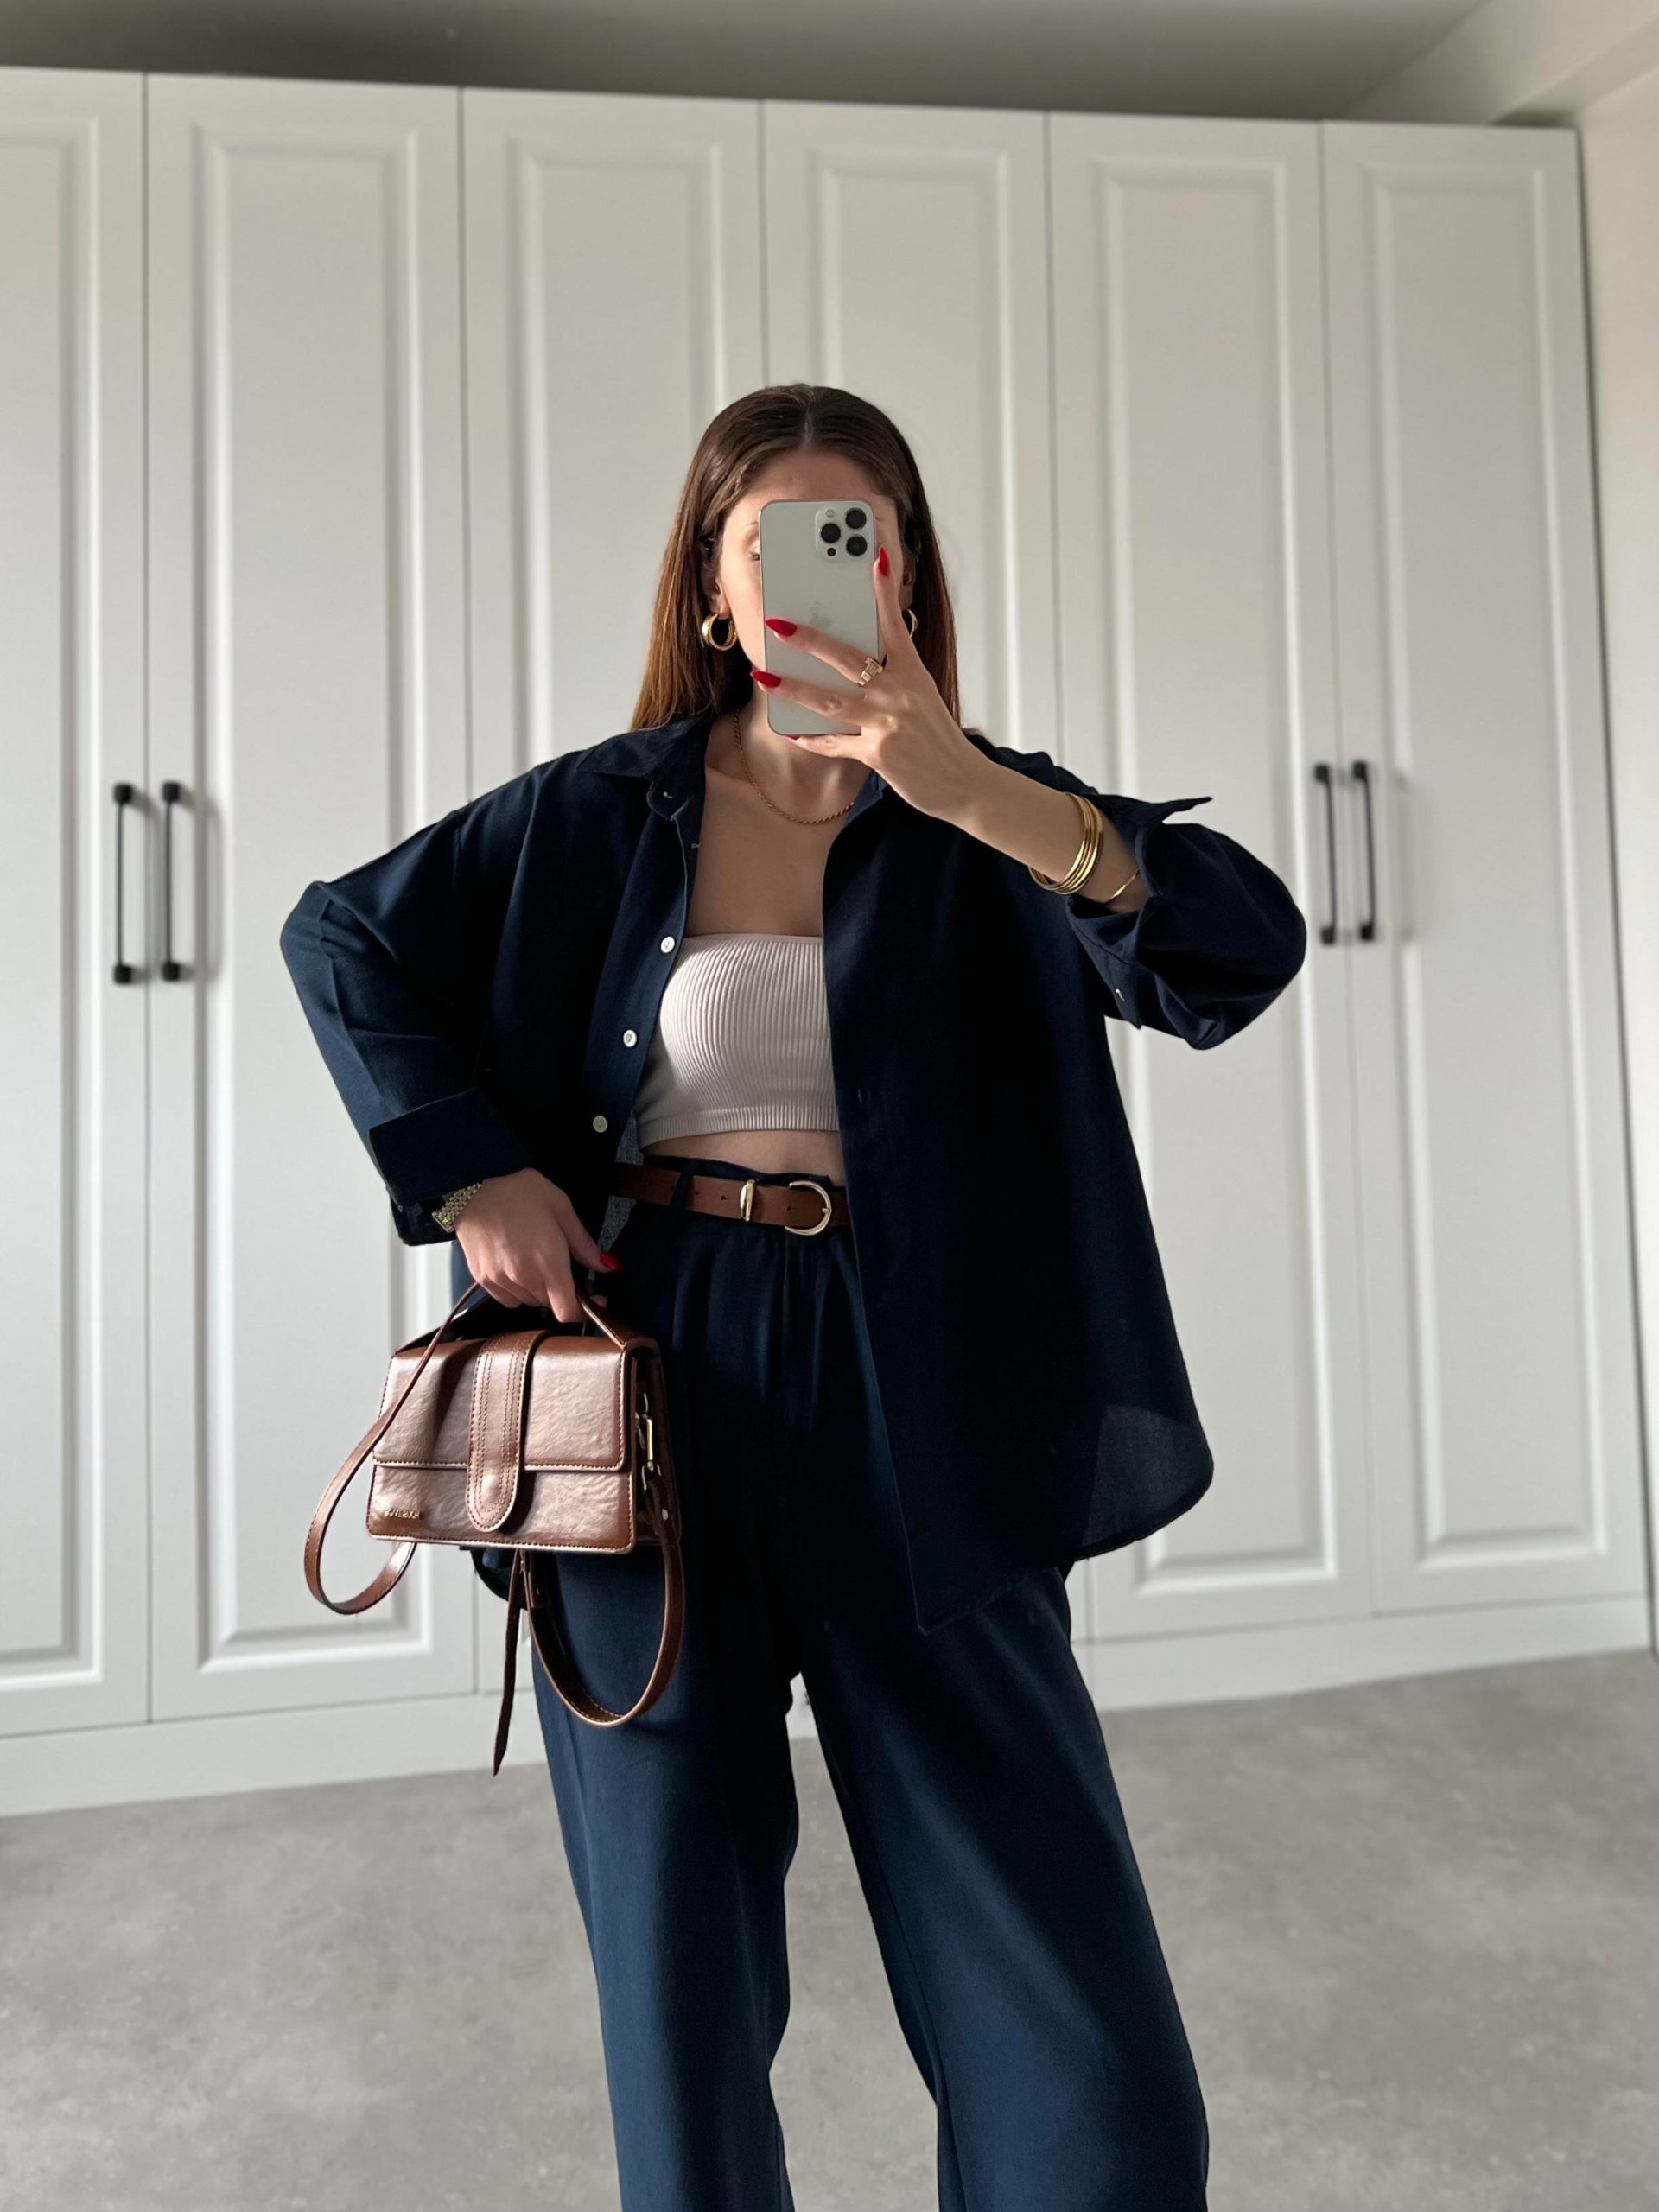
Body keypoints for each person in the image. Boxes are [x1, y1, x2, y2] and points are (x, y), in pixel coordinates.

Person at [279, 383, 1307, 2211]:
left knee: (1077, 2028)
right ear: (711, 585)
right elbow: (341, 933)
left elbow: (1237, 946)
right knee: (677, 1979)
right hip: (646, 1384)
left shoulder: (996, 817)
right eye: (774, 542)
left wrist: (973, 790)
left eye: (860, 537)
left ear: (904, 575)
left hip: (928, 1398)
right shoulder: (600, 814)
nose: (821, 572)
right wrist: (472, 1170)